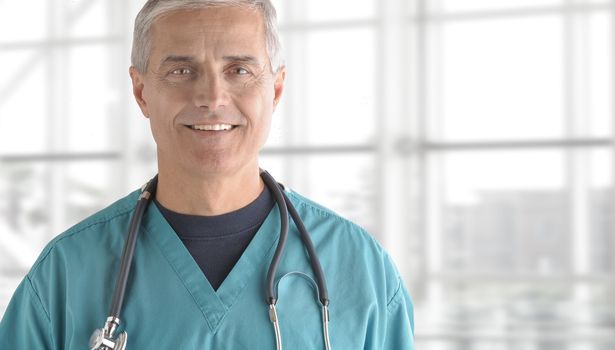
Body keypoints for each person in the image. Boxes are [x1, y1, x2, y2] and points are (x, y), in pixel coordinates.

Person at [0, 0, 415, 348]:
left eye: (238, 70)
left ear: (275, 90)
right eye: (182, 71)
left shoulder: (361, 269)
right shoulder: (66, 274)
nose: (212, 98)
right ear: (142, 91)